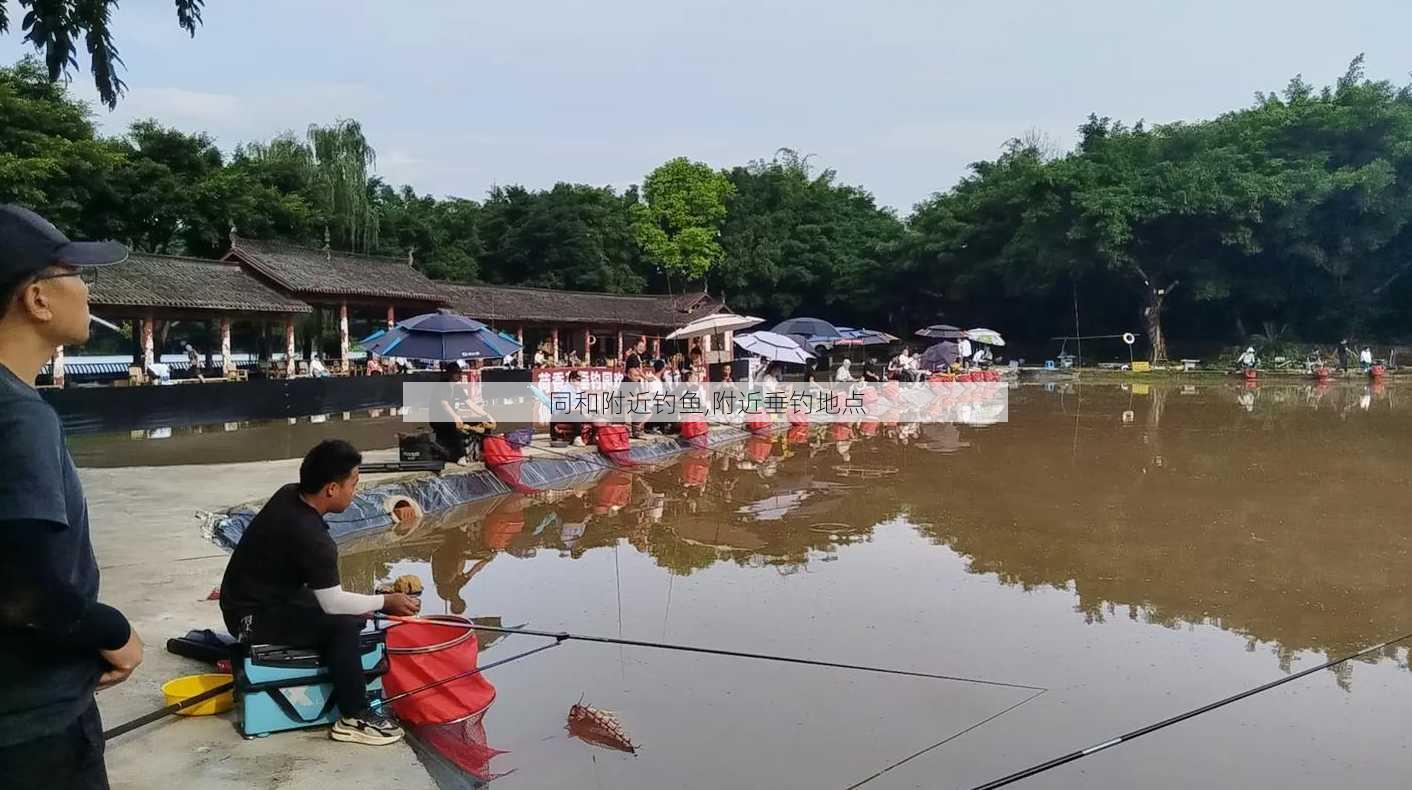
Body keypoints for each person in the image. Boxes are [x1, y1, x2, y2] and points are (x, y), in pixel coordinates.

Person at [0, 205, 139, 789]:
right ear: (37, 298)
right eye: (78, 275)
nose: (87, 291)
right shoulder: (19, 417)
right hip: (33, 724)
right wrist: (112, 634)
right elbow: (20, 591)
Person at [220, 440, 421, 746]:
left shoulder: (289, 494)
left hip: (250, 598)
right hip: (248, 618)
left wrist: (372, 603)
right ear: (331, 489)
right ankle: (355, 716)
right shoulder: (312, 538)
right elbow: (333, 602)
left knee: (354, 616)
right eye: (353, 484)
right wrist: (386, 601)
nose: (356, 492)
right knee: (343, 624)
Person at [433, 364, 495, 463]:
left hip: (453, 417)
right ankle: (460, 456)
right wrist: (455, 417)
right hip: (439, 419)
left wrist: (487, 415)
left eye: (460, 372)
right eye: (456, 373)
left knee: (485, 423)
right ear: (449, 374)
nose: (459, 375)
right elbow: (444, 404)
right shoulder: (442, 386)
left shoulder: (457, 389)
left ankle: (483, 452)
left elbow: (470, 403)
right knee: (455, 425)